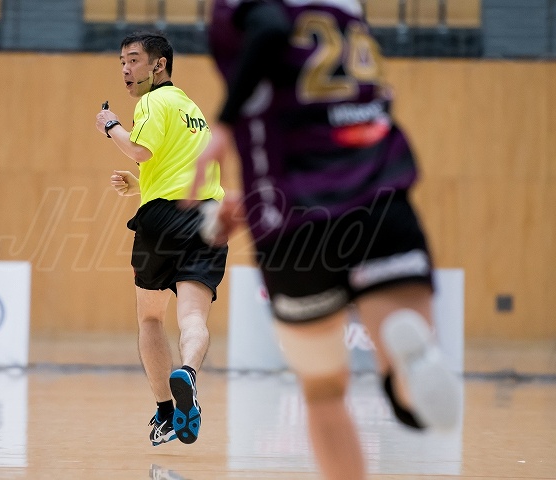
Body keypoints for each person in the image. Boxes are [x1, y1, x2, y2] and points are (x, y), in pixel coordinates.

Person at [190, 1, 461, 478]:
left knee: (322, 388)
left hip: (293, 222)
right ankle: (411, 367)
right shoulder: (347, 5)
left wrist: (226, 125)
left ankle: (409, 368)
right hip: (380, 199)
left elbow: (270, 29)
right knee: (409, 394)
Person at [94, 31, 227, 447]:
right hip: (207, 218)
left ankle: (167, 413)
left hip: (162, 221)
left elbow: (140, 151)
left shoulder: (153, 102)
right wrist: (141, 186)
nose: (125, 69)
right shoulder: (193, 111)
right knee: (193, 318)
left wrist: (110, 125)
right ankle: (188, 372)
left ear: (159, 65)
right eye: (121, 62)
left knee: (151, 318)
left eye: (133, 60)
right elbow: (176, 169)